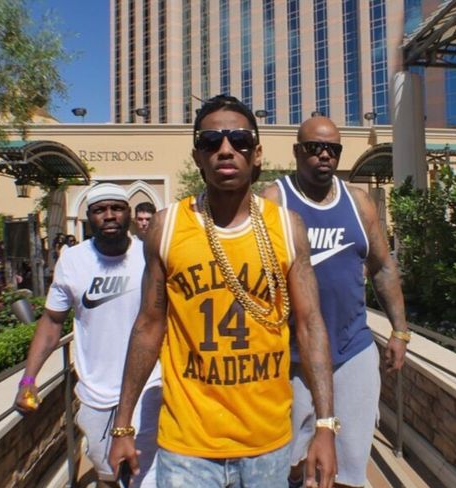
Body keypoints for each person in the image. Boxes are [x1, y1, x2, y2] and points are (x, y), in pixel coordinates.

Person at [108, 95, 337, 488]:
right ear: (198, 156)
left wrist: (325, 425)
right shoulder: (167, 227)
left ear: (257, 153)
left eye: (240, 140)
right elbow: (148, 326)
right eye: (211, 141)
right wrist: (122, 426)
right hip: (187, 445)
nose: (226, 149)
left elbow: (310, 325)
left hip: (267, 443)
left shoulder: (288, 227)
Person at [262, 115, 409, 488]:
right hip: (293, 357)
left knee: (347, 465)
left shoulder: (358, 202)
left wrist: (400, 331)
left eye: (333, 149)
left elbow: (383, 268)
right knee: (290, 464)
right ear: (297, 152)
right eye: (315, 148)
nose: (325, 155)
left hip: (351, 350)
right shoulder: (274, 201)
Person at [15, 183, 161, 488]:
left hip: (148, 386)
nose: (109, 215)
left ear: (129, 214)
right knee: (107, 474)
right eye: (99, 210)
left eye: (117, 208)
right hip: (95, 392)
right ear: (89, 216)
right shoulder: (72, 260)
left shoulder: (149, 255)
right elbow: (52, 321)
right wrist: (28, 380)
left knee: (144, 476)